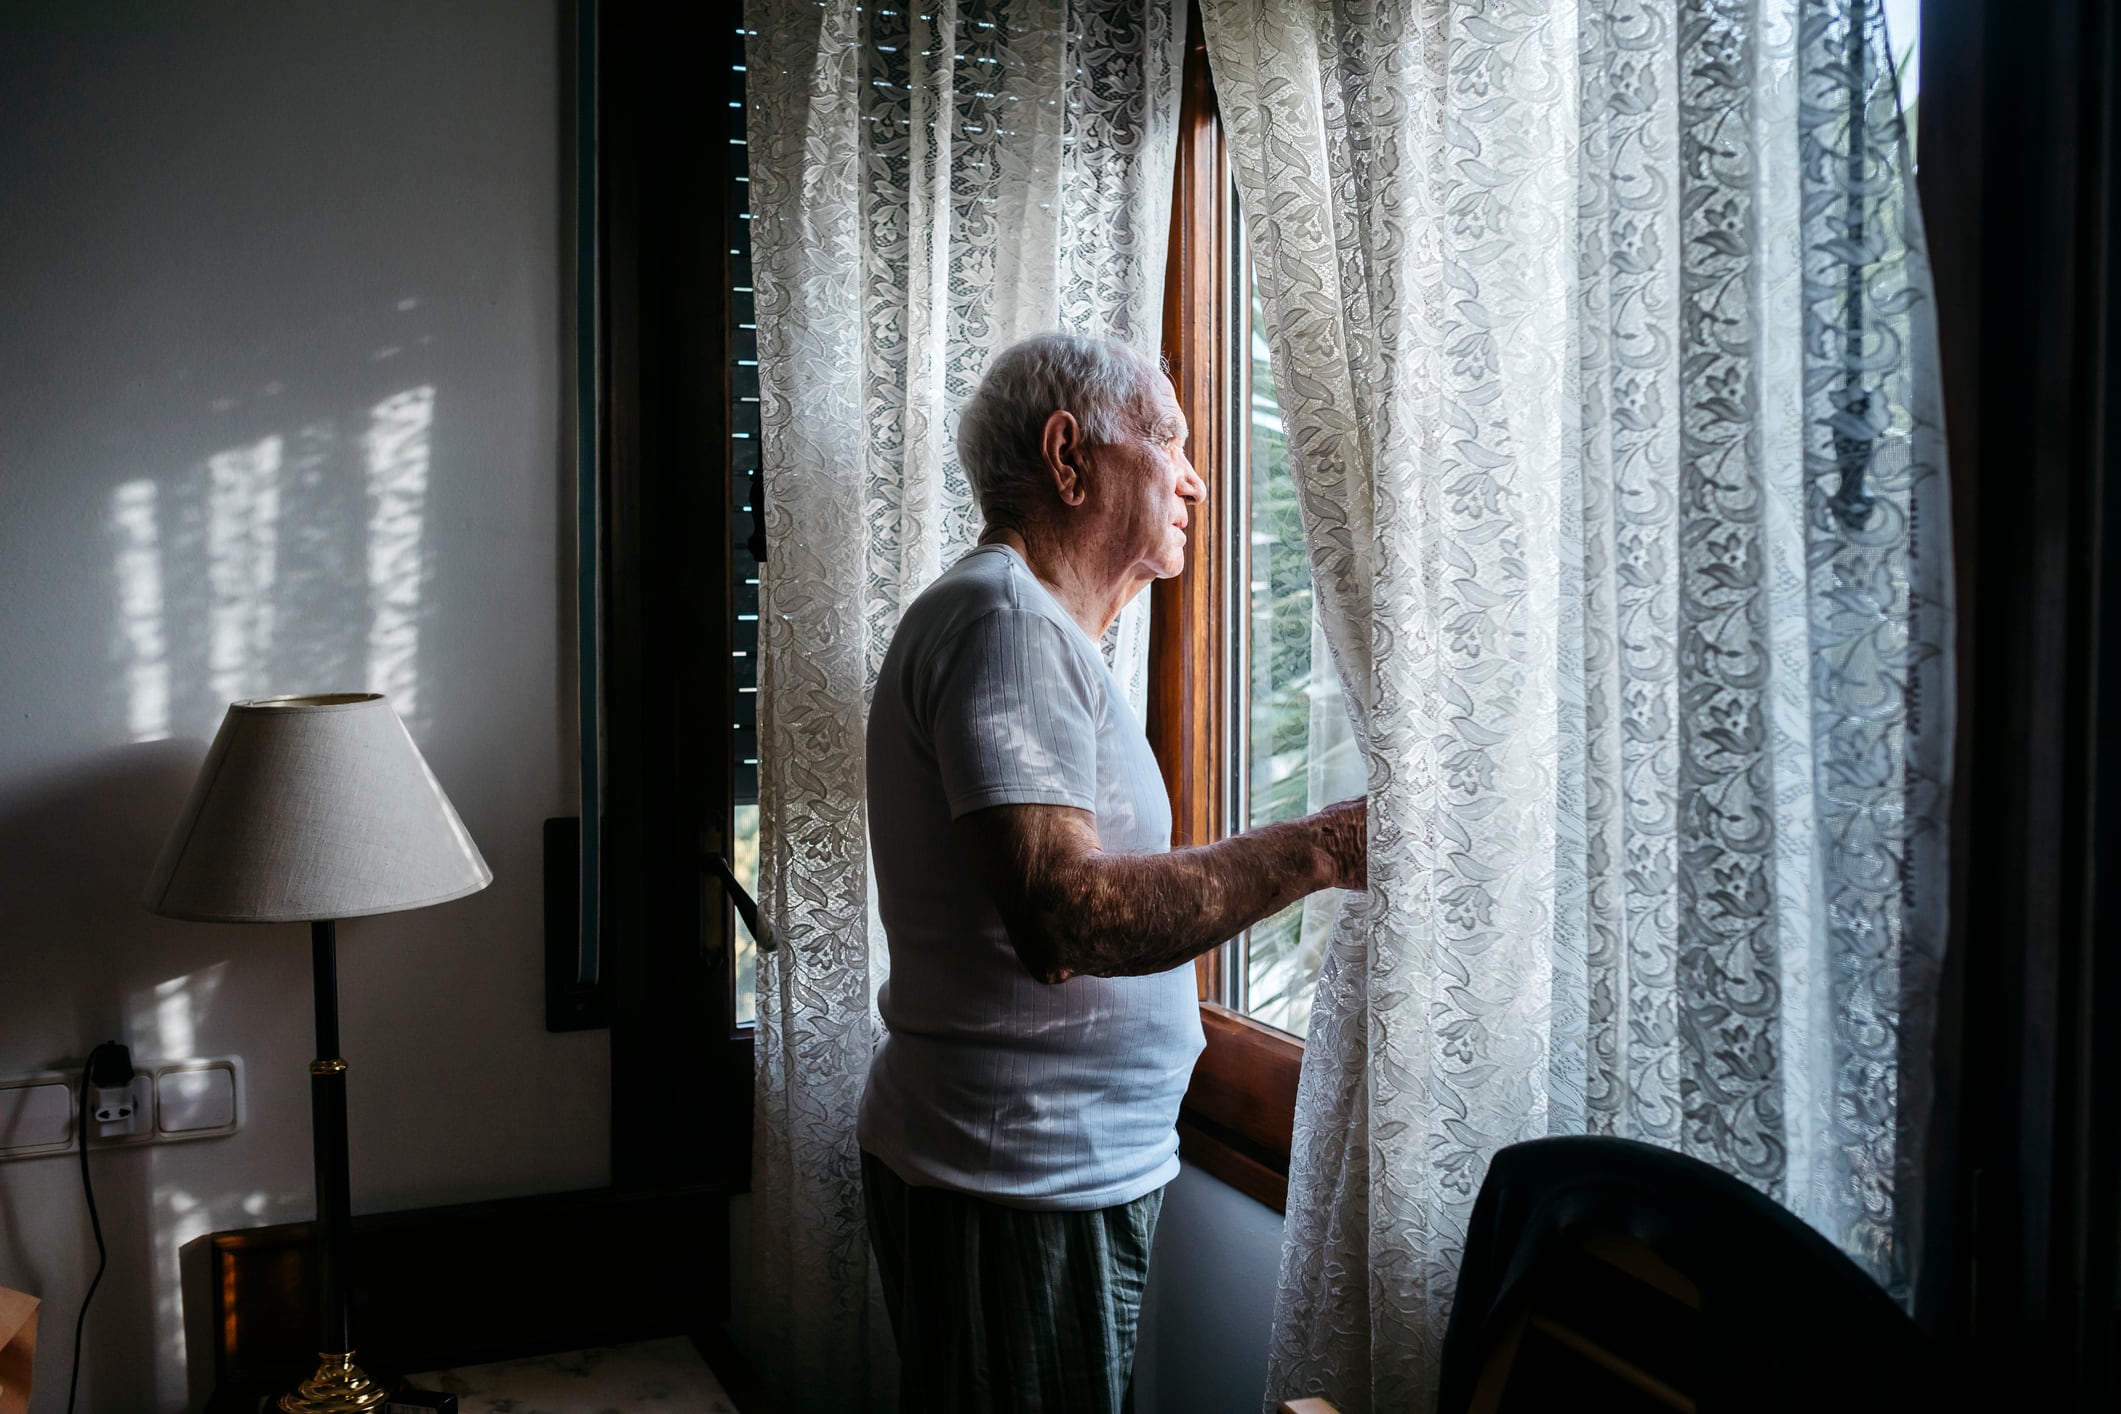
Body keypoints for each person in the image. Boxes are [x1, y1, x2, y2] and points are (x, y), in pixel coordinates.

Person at [859, 332, 1367, 1413]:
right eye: (1171, 441)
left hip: (1023, 1169)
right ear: (1069, 455)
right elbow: (1067, 915)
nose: (1195, 478)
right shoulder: (1007, 623)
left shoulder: (1019, 624)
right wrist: (1322, 847)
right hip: (1018, 1179)